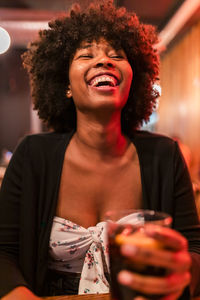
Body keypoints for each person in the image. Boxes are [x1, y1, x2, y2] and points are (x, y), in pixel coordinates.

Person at [0, 1, 200, 299]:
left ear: (134, 79)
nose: (104, 61)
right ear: (65, 84)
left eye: (116, 55)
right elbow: (3, 252)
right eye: (86, 55)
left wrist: (181, 273)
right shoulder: (32, 155)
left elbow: (194, 247)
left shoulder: (165, 155)